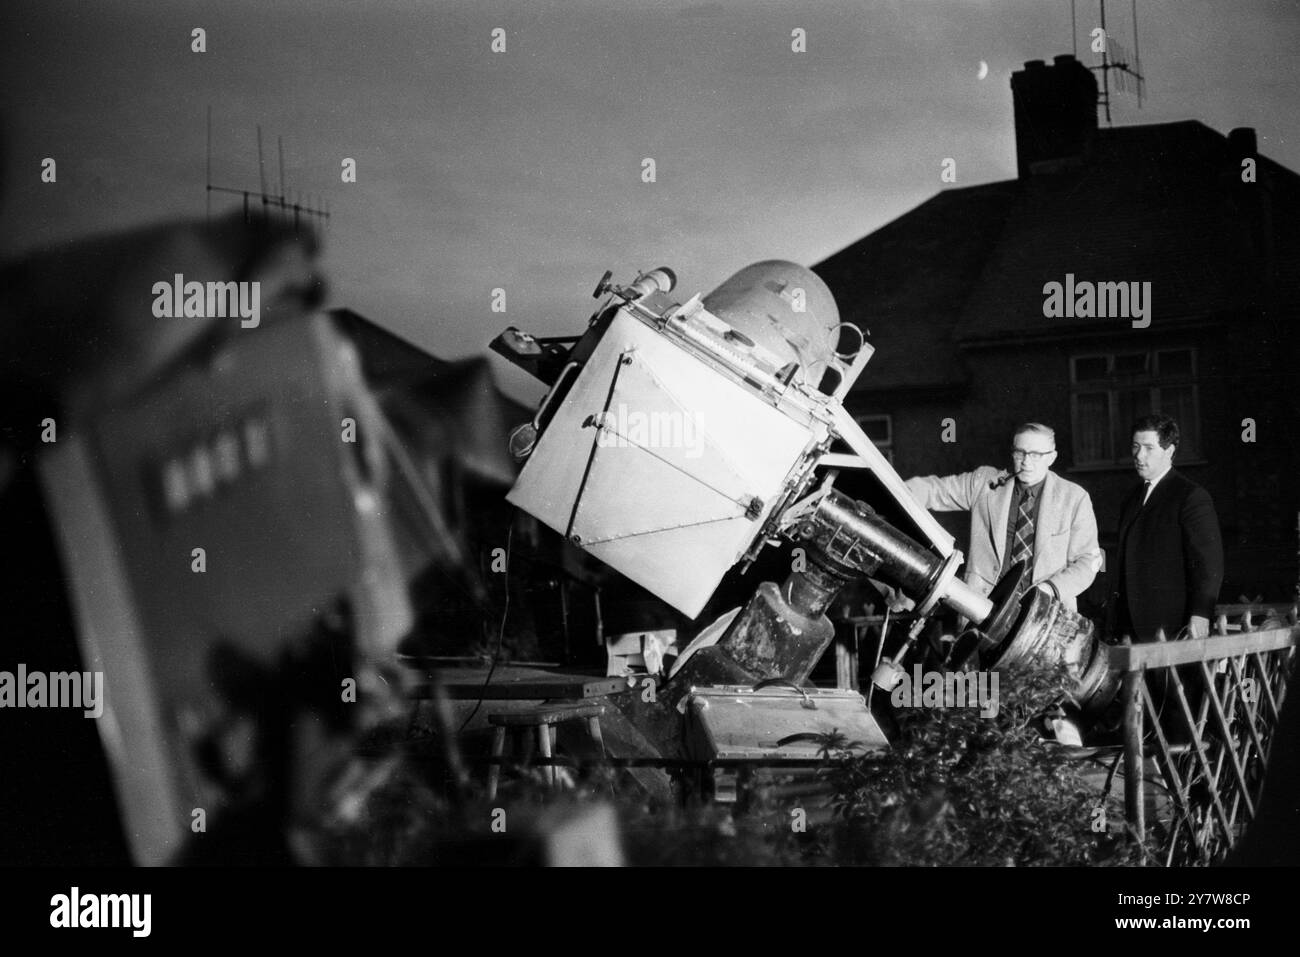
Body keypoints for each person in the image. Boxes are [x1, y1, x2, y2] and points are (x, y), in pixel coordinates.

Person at [904, 423, 1101, 611]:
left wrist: (1050, 588)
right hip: (982, 609)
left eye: (1036, 455)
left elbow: (1087, 562)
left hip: (1045, 614)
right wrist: (892, 488)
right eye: (1020, 452)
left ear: (1052, 457)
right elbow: (934, 490)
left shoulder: (1074, 498)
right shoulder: (984, 483)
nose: (1026, 461)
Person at [1111, 414, 1223, 642]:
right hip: (1131, 627)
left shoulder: (1190, 497)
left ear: (1169, 451)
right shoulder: (1131, 499)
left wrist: (1201, 614)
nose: (1139, 456)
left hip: (1172, 627)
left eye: (1149, 448)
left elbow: (1209, 562)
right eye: (1135, 446)